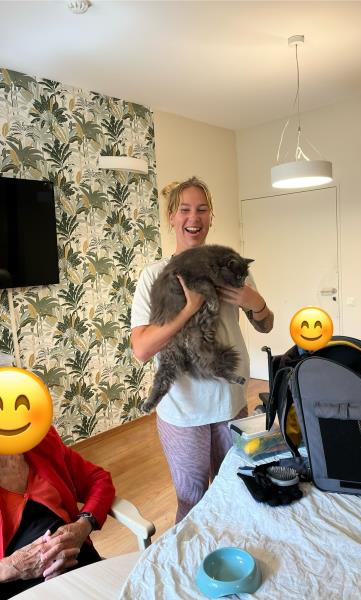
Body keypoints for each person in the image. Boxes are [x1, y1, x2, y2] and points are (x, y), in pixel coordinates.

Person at [131, 176, 273, 523]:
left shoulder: (232, 268)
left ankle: (230, 550)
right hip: (183, 411)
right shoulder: (153, 276)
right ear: (171, 217)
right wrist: (187, 310)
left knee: (233, 492)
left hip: (230, 403)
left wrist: (255, 302)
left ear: (211, 217)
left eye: (202, 209)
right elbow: (142, 349)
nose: (193, 218)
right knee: (191, 500)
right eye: (184, 210)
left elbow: (266, 325)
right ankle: (191, 556)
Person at [0, 426, 115, 597]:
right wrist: (13, 566)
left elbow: (98, 480)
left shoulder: (40, 439)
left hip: (83, 569)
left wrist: (83, 526)